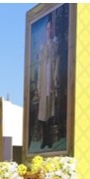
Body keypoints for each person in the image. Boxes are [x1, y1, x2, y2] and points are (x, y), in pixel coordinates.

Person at [36, 15, 59, 149]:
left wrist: (55, 81)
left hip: (51, 82)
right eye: (47, 29)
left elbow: (56, 63)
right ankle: (44, 140)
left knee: (50, 112)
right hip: (44, 83)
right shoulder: (43, 46)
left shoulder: (54, 45)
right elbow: (39, 67)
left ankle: (49, 140)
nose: (49, 31)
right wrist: (39, 86)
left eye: (51, 28)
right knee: (43, 113)